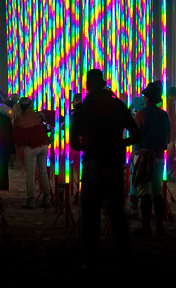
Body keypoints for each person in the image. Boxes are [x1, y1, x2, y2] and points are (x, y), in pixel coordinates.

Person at [70, 68, 140, 263]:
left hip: (92, 162)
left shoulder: (84, 108)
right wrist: (118, 144)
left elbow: (74, 143)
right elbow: (136, 135)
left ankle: (91, 256)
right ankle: (125, 256)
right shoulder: (118, 105)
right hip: (114, 163)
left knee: (90, 211)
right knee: (116, 211)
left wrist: (89, 147)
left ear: (87, 85)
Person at [133, 80, 170, 236]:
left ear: (146, 98)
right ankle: (159, 226)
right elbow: (168, 139)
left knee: (144, 191)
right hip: (159, 157)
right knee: (157, 191)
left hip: (143, 156)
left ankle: (146, 226)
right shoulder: (164, 115)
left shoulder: (141, 114)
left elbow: (134, 136)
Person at [12, 96, 52, 209]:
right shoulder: (39, 115)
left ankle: (30, 200)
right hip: (43, 145)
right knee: (43, 171)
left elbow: (17, 137)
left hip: (31, 148)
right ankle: (47, 196)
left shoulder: (20, 119)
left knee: (30, 174)